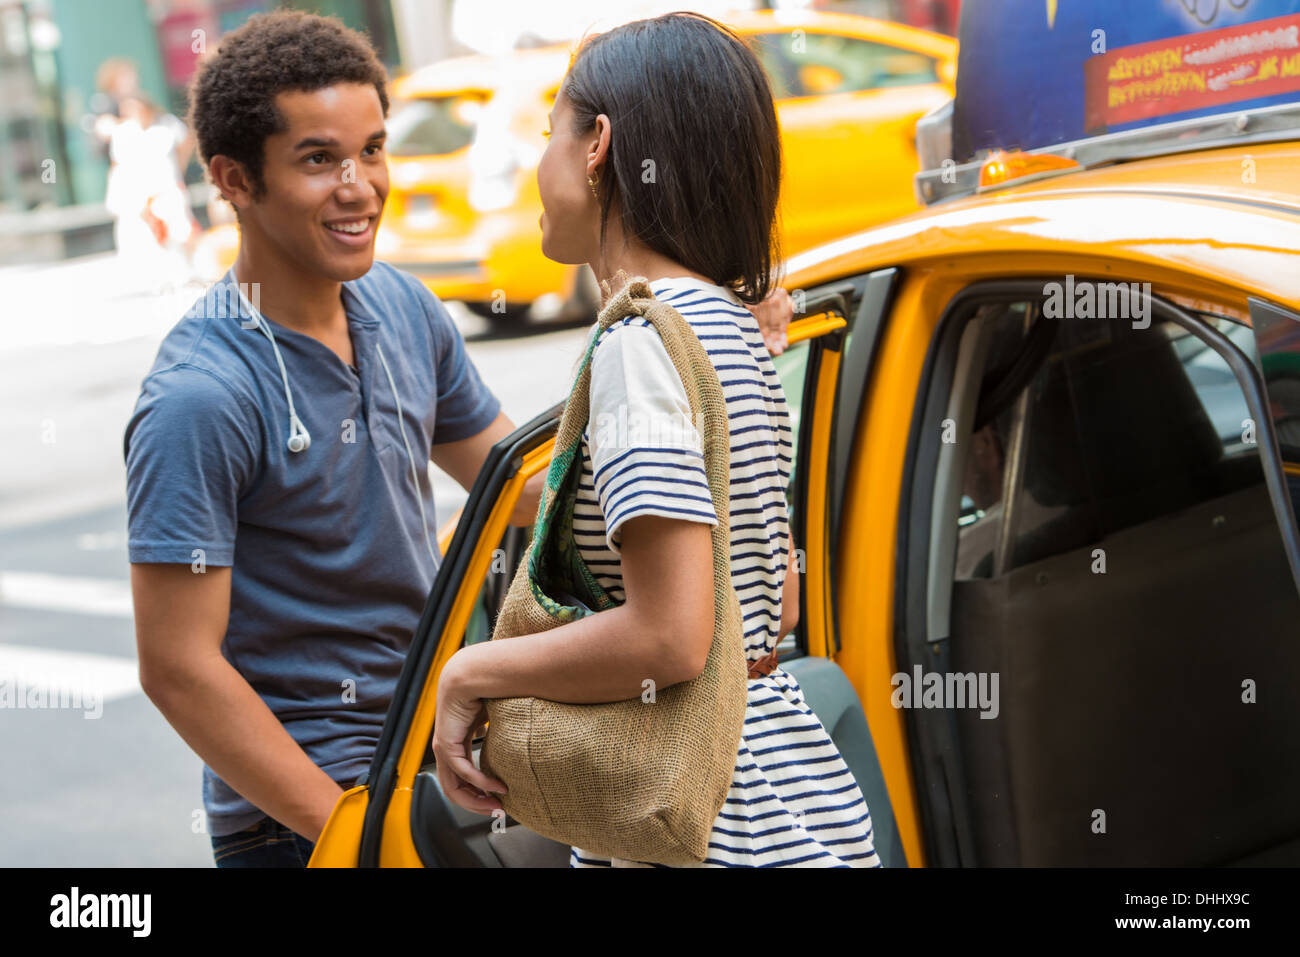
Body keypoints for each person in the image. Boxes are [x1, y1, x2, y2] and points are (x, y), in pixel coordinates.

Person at [123, 10, 793, 868]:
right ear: (234, 179)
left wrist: (703, 355)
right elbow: (177, 667)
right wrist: (352, 832)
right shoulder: (200, 393)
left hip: (425, 758)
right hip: (300, 816)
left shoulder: (400, 308)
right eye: (319, 159)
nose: (361, 185)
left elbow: (522, 490)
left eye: (372, 149)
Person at [431, 12, 880, 867]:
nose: (536, 166)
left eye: (545, 133)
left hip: (705, 815)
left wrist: (471, 673)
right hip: (784, 781)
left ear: (599, 144)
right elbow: (770, 608)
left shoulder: (641, 346)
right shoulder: (739, 331)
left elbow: (671, 637)